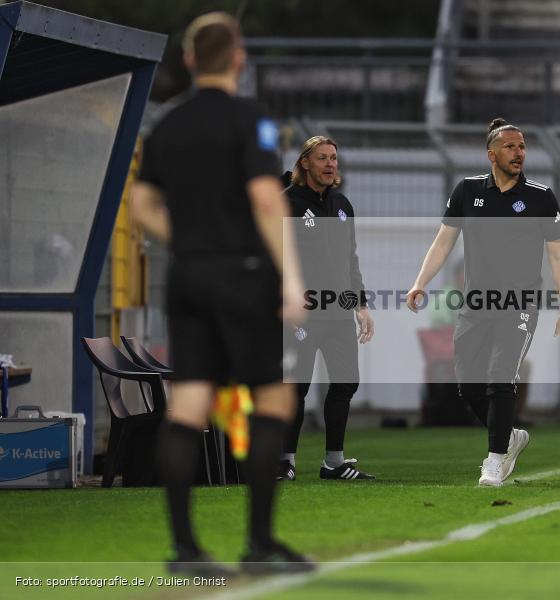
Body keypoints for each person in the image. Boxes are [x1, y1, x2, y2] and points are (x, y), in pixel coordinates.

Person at [130, 12, 312, 574]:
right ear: (239, 59)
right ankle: (259, 543)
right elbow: (265, 198)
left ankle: (185, 549)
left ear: (187, 61)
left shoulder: (167, 125)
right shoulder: (251, 120)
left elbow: (140, 205)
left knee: (188, 405)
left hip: (186, 275)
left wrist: (183, 240)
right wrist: (292, 277)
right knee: (273, 399)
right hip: (242, 274)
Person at [406, 118, 560, 487]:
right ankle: (510, 436)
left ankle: (495, 459)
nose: (519, 153)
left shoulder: (540, 196)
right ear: (492, 153)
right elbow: (443, 242)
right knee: (467, 385)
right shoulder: (467, 192)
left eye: (523, 147)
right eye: (511, 147)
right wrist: (420, 282)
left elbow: (559, 256)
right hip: (476, 304)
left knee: (501, 378)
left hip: (520, 303)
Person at [280, 136, 376, 482]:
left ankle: (334, 462)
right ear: (305, 163)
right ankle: (284, 460)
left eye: (334, 157)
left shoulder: (342, 204)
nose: (330, 164)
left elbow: (350, 259)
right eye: (322, 158)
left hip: (338, 313)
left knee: (346, 382)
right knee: (296, 386)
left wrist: (361, 305)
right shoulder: (286, 203)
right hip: (302, 313)